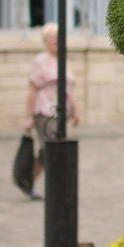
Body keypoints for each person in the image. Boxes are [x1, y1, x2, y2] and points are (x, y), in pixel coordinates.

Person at [22, 21, 79, 200]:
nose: (57, 41)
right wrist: (28, 117)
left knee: (47, 150)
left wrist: (76, 111)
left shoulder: (63, 61)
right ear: (45, 41)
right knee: (52, 148)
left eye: (59, 38)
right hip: (45, 111)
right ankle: (57, 186)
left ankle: (29, 181)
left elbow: (69, 90)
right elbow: (32, 90)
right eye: (53, 38)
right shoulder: (41, 61)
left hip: (61, 113)